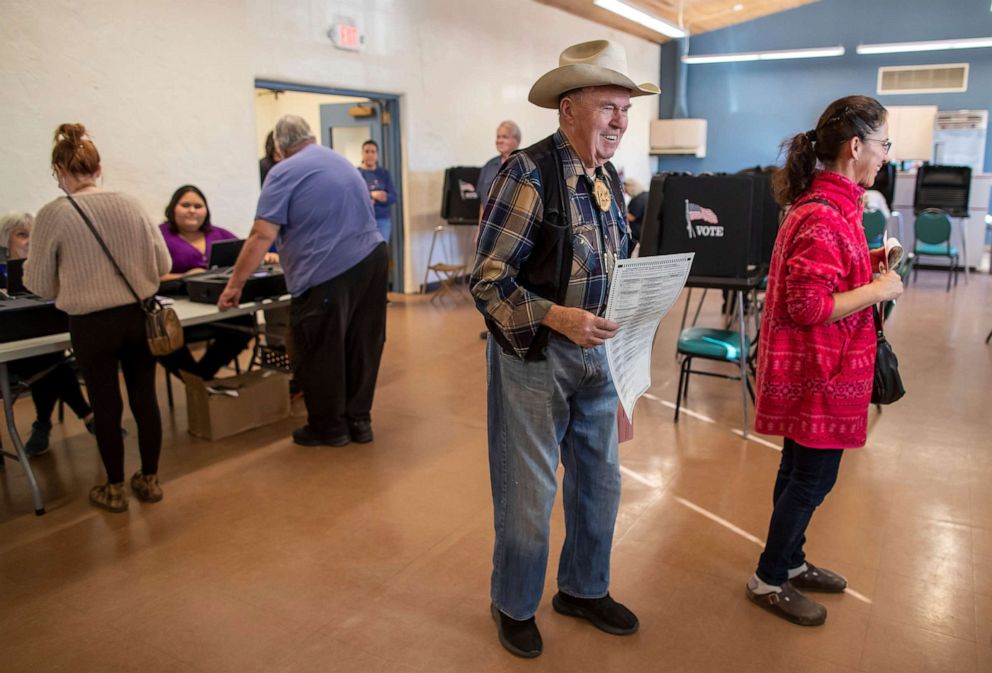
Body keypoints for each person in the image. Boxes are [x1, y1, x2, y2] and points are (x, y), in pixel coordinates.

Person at [470, 39, 659, 658]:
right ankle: (515, 603)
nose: (619, 121)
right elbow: (488, 281)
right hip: (536, 359)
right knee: (529, 494)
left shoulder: (608, 180)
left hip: (601, 355)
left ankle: (582, 588)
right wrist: (559, 318)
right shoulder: (525, 173)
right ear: (568, 107)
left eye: (625, 110)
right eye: (609, 106)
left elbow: (610, 266)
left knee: (599, 484)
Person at [747, 95, 904, 626]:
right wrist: (881, 288)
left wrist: (872, 264)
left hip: (819, 372)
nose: (886, 155)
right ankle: (769, 577)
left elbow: (829, 276)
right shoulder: (826, 216)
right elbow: (809, 306)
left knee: (798, 472)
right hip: (819, 375)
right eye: (883, 144)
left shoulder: (831, 207)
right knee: (811, 479)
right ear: (856, 146)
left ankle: (790, 561)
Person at [26, 123, 172, 512]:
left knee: (106, 404)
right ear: (98, 166)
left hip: (91, 323)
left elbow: (39, 284)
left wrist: (71, 283)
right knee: (145, 398)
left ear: (58, 170)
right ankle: (150, 479)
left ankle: (114, 487)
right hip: (138, 316)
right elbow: (163, 264)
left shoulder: (53, 214)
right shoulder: (132, 203)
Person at [217, 115, 387, 448]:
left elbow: (261, 235)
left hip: (326, 273)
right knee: (361, 346)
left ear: (279, 147)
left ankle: (329, 428)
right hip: (373, 261)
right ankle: (359, 422)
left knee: (321, 350)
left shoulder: (283, 171)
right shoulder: (339, 161)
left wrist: (234, 285)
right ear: (309, 137)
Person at [1, 212, 95, 456]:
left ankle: (44, 424)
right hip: (6, 352)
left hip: (36, 342)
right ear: (4, 240)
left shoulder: (44, 269)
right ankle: (85, 414)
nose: (31, 241)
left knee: (49, 357)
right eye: (22, 235)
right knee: (50, 361)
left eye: (35, 235)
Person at [157, 185, 255, 381]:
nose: (192, 210)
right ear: (172, 208)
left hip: (216, 307)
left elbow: (247, 256)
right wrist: (185, 276)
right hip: (177, 312)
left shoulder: (219, 234)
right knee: (163, 339)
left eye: (198, 205)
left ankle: (201, 378)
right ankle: (197, 381)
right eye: (185, 205)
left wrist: (265, 257)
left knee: (245, 325)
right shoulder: (159, 236)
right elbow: (148, 277)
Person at [476, 121, 522, 228]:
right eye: (498, 137)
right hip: (489, 227)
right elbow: (483, 204)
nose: (500, 140)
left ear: (517, 140)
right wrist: (479, 229)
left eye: (505, 137)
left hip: (513, 229)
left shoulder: (525, 165)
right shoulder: (488, 166)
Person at [357, 139, 397, 244]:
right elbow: (353, 196)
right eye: (367, 151)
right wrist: (371, 195)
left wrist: (383, 197)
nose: (370, 155)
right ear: (362, 154)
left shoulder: (384, 173)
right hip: (363, 221)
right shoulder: (356, 174)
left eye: (373, 152)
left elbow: (394, 196)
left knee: (381, 252)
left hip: (382, 220)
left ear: (377, 155)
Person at [622, 177, 648, 244]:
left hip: (636, 232)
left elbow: (632, 217)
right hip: (644, 229)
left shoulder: (639, 200)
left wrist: (619, 212)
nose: (626, 193)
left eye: (626, 191)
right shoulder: (645, 195)